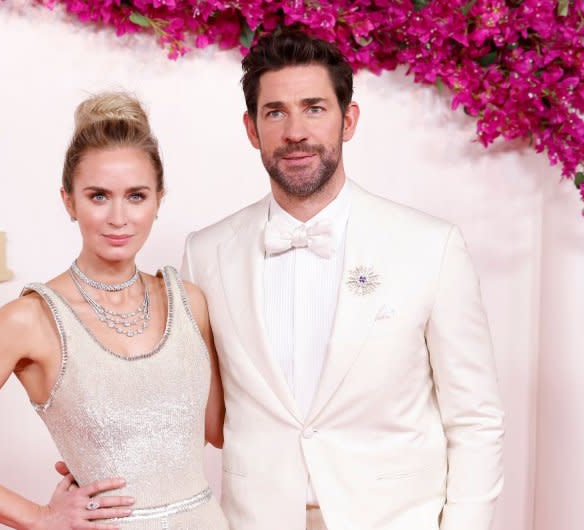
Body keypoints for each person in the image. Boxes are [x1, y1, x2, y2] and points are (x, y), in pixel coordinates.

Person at [181, 30, 505, 530]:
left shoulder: (430, 246)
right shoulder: (204, 253)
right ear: (251, 129)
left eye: (314, 108)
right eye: (275, 112)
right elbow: (198, 412)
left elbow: (475, 419)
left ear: (347, 120)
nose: (294, 132)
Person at [0, 92, 229, 530]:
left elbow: (220, 430)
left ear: (158, 199)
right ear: (69, 201)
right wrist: (39, 518)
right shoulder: (30, 321)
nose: (119, 217)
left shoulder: (190, 302)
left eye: (136, 196)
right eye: (98, 196)